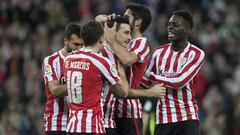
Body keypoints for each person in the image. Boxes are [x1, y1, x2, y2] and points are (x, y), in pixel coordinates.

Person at [99, 16, 166, 135]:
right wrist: (150, 92)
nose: (129, 37)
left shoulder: (105, 50)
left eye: (129, 33)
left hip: (107, 119)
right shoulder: (108, 55)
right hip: (108, 120)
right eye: (126, 33)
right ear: (113, 32)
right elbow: (124, 91)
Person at [143, 10, 205, 135]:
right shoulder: (158, 52)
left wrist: (150, 75)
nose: (170, 27)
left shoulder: (196, 53)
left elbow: (179, 82)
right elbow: (146, 82)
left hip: (186, 117)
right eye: (169, 24)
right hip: (163, 118)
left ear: (187, 30)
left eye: (175, 24)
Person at [64, 21, 129, 135]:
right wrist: (120, 70)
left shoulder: (68, 59)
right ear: (101, 39)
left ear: (83, 39)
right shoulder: (101, 62)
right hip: (92, 127)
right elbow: (123, 92)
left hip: (72, 127)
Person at [105, 3, 152, 135]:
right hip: (113, 109)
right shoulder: (125, 40)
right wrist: (110, 19)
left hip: (129, 111)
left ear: (137, 22)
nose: (122, 18)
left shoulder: (141, 43)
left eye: (127, 16)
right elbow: (98, 19)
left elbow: (127, 60)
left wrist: (112, 39)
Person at [42, 23, 83, 135]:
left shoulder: (84, 62)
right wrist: (82, 84)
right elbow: (54, 90)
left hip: (78, 124)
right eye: (76, 44)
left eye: (82, 45)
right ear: (66, 41)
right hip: (57, 124)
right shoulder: (51, 61)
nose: (79, 48)